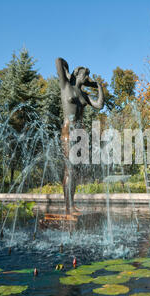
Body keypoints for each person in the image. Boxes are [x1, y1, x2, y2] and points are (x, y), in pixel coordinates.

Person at [56, 58, 104, 215]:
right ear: (77, 74)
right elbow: (58, 61)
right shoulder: (65, 86)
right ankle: (68, 207)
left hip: (80, 133)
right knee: (69, 169)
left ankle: (72, 204)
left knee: (75, 171)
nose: (86, 79)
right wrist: (68, 71)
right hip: (68, 131)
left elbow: (99, 105)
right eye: (84, 75)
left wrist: (98, 87)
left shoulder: (83, 94)